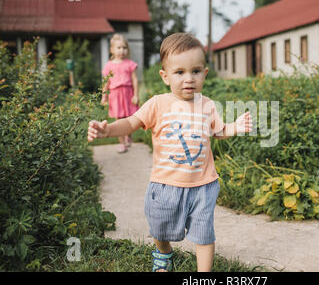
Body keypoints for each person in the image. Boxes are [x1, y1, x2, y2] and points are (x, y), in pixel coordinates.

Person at [87, 33, 253, 272]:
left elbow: (219, 131)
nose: (189, 79)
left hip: (203, 186)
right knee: (159, 227)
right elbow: (132, 123)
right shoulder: (157, 104)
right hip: (165, 185)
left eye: (196, 71)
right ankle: (163, 253)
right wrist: (109, 129)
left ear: (205, 74)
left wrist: (234, 128)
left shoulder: (207, 105)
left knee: (204, 232)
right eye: (180, 72)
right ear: (165, 76)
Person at [101, 34, 139, 153]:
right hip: (115, 95)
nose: (122, 50)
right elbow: (106, 83)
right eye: (119, 48)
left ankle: (128, 136)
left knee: (129, 119)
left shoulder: (130, 64)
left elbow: (135, 80)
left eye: (124, 47)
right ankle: (122, 143)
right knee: (118, 121)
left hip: (128, 93)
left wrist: (136, 95)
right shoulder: (109, 65)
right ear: (112, 49)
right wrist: (104, 97)